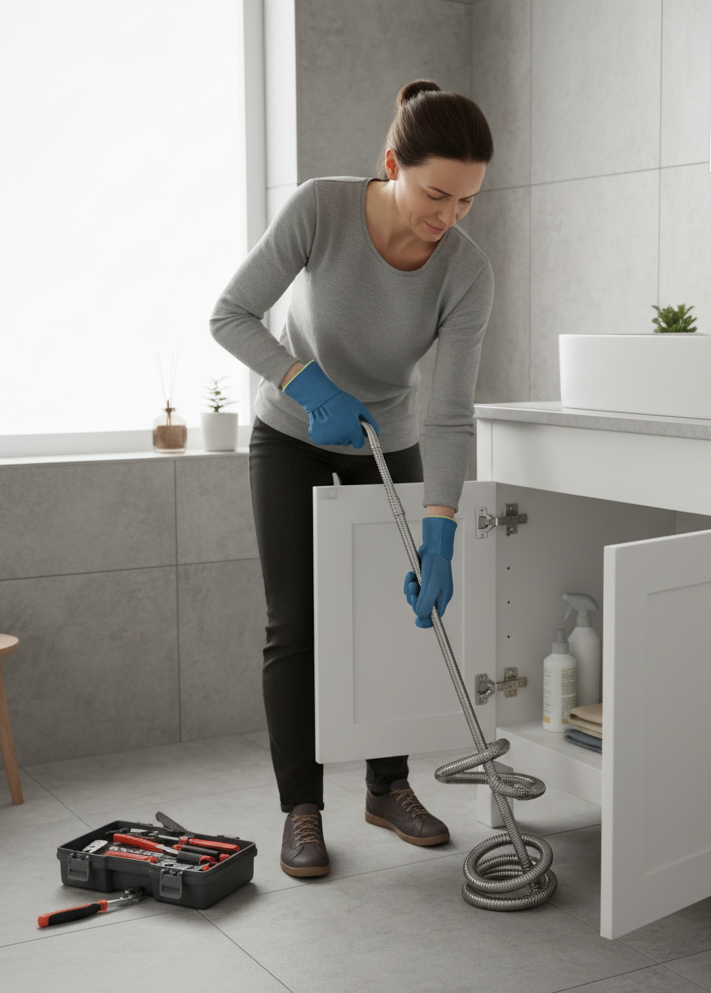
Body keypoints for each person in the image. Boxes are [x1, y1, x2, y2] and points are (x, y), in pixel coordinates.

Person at [209, 81, 493, 877]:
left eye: (467, 201)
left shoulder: (468, 273)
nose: (447, 216)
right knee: (293, 623)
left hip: (388, 440)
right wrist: (306, 382)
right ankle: (301, 808)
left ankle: (388, 787)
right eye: (436, 193)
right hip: (293, 432)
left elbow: (450, 410)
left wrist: (440, 527)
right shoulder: (321, 209)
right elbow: (229, 314)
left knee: (393, 616)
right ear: (393, 164)